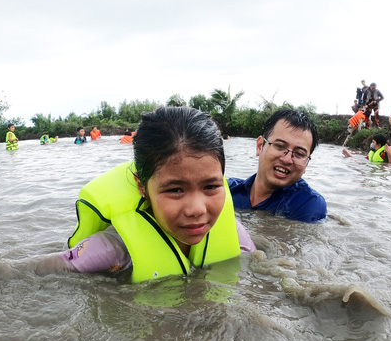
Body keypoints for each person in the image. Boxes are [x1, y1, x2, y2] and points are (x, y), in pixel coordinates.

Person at [56, 107, 255, 282]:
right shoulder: (114, 248)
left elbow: (260, 265)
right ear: (141, 187)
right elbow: (40, 270)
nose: (197, 209)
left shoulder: (234, 233)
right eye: (175, 190)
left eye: (210, 187)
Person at [228, 109, 326, 223]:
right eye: (279, 146)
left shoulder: (308, 203)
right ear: (260, 146)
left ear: (306, 165)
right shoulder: (228, 190)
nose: (287, 159)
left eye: (299, 154)